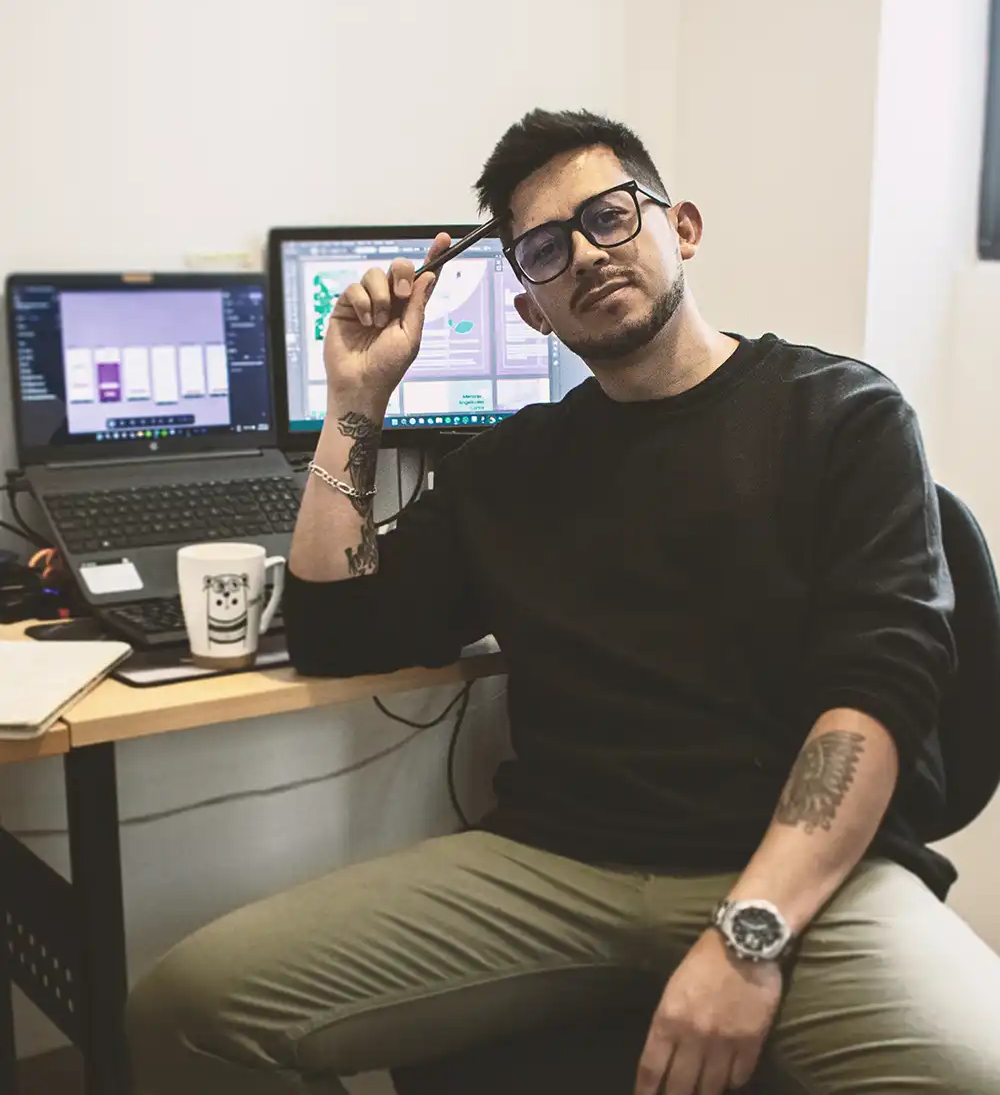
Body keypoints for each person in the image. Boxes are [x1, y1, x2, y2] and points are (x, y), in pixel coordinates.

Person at [127, 109, 1000, 1095]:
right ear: (532, 308)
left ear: (683, 228)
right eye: (546, 248)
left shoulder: (842, 414)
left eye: (610, 216)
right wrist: (354, 405)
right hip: (560, 869)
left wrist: (746, 938)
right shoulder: (509, 466)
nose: (585, 253)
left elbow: (876, 693)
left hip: (800, 876)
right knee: (185, 1011)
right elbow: (336, 629)